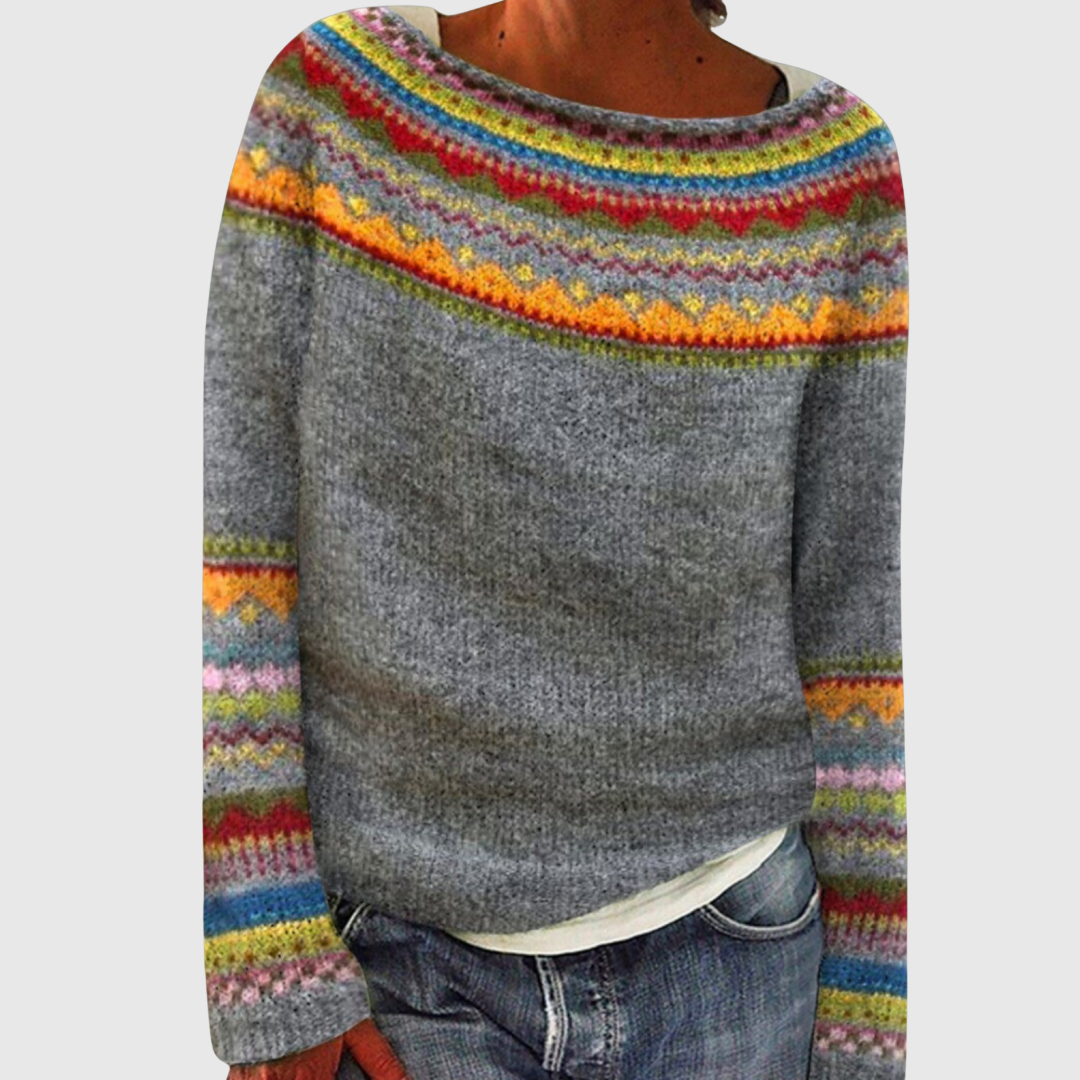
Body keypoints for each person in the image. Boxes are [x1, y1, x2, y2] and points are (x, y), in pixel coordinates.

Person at [202, 2, 908, 1078]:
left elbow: (852, 616)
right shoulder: (341, 103)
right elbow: (245, 557)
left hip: (736, 962)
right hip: (399, 975)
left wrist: (867, 1015)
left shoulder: (827, 177)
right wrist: (268, 947)